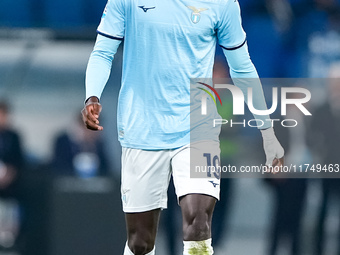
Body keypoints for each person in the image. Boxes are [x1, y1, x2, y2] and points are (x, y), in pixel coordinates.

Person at [81, 0, 284, 254]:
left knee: (198, 223)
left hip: (198, 128)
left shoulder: (223, 4)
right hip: (142, 128)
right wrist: (92, 96)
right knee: (140, 241)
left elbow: (242, 66)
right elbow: (103, 52)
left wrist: (267, 131)